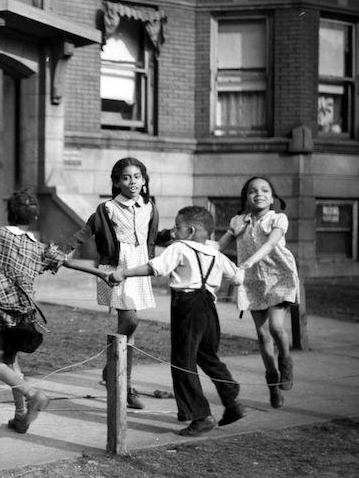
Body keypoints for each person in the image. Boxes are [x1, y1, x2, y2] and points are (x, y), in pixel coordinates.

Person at [0, 189, 113, 434]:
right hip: (23, 313)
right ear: (34, 218)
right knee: (10, 361)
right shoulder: (40, 248)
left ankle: (33, 395)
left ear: (9, 213)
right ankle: (20, 415)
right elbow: (66, 261)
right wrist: (99, 273)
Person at [108, 206, 247, 436]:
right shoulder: (215, 254)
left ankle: (201, 416)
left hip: (187, 308)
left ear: (190, 231)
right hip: (209, 309)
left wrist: (124, 273)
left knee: (183, 362)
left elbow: (155, 268)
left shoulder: (179, 247)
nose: (173, 231)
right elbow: (238, 278)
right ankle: (232, 401)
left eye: (177, 226)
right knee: (208, 356)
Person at [60, 157, 159, 409]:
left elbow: (151, 235)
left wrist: (176, 236)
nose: (132, 182)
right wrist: (63, 250)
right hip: (116, 268)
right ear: (116, 182)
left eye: (137, 176)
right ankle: (112, 370)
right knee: (130, 322)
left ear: (144, 180)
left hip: (138, 268)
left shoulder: (149, 206)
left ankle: (122, 382)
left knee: (130, 333)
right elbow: (86, 231)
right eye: (126, 177)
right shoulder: (107, 208)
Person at [217, 177, 300, 409]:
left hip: (279, 277)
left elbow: (271, 243)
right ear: (246, 198)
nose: (259, 194)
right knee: (263, 336)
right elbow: (219, 246)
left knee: (276, 327)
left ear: (272, 198)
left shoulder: (278, 219)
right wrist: (192, 244)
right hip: (253, 282)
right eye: (253, 191)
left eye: (265, 190)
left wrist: (249, 261)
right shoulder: (238, 222)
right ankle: (272, 383)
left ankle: (286, 361)